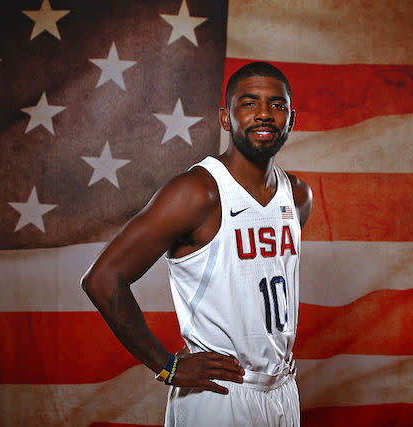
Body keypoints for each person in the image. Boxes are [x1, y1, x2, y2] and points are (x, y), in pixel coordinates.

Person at [81, 61, 312, 426]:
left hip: (283, 389)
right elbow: (102, 278)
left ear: (291, 118)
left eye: (277, 105)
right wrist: (166, 366)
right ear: (226, 118)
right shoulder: (198, 192)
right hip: (220, 394)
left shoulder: (297, 196)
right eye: (249, 103)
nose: (264, 114)